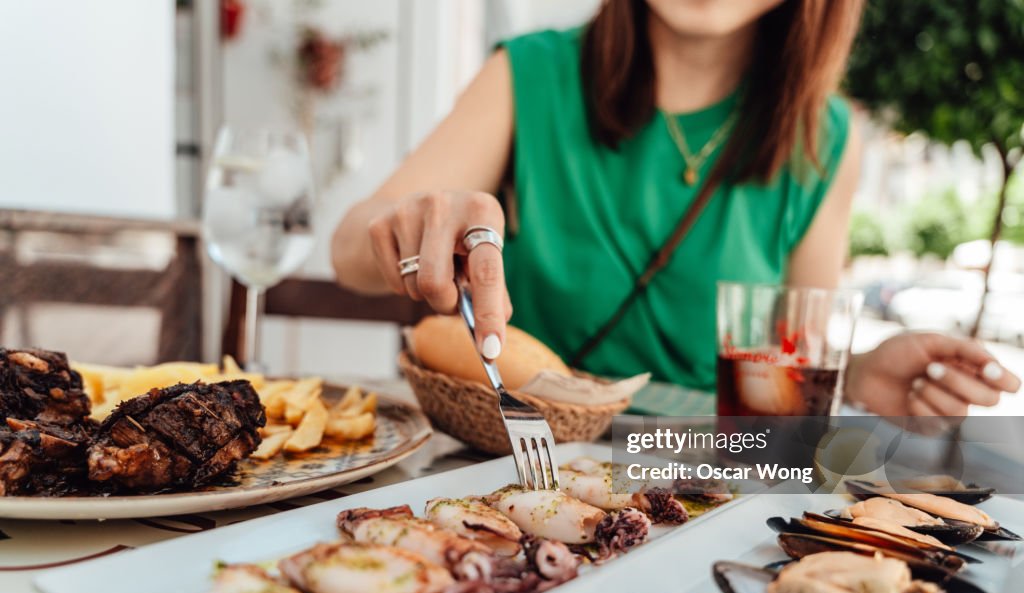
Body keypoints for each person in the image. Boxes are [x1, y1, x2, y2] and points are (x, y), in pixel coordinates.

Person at [332, 0, 1020, 416]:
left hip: (695, 491)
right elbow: (349, 254)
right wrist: (404, 227)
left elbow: (783, 373)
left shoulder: (828, 139)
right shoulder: (528, 75)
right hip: (514, 473)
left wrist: (860, 376)